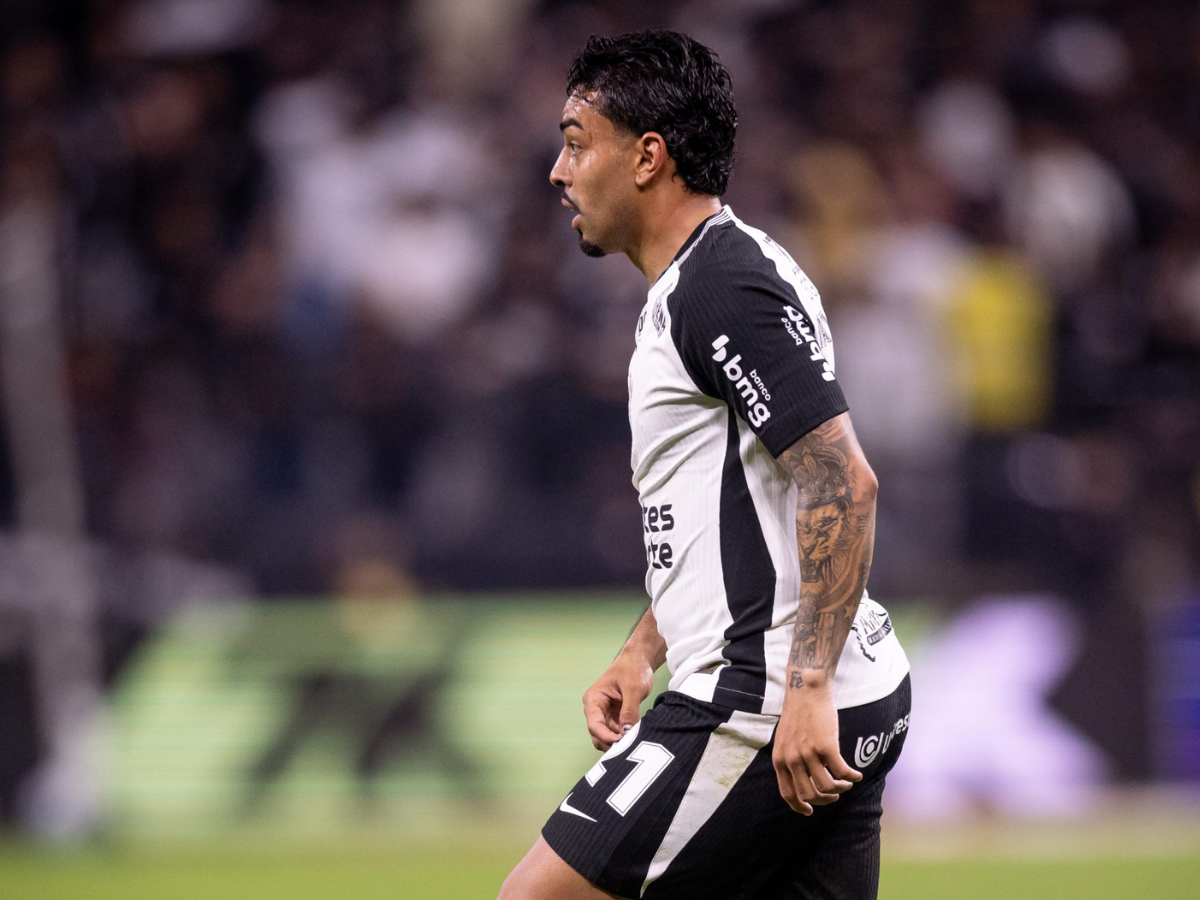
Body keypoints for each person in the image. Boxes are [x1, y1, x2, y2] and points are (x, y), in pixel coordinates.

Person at [499, 30, 911, 900]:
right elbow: (740, 507)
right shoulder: (724, 271)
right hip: (832, 683)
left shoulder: (718, 287)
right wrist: (643, 650)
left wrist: (803, 689)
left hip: (764, 700)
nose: (559, 172)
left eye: (577, 143)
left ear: (648, 157)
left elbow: (842, 481)